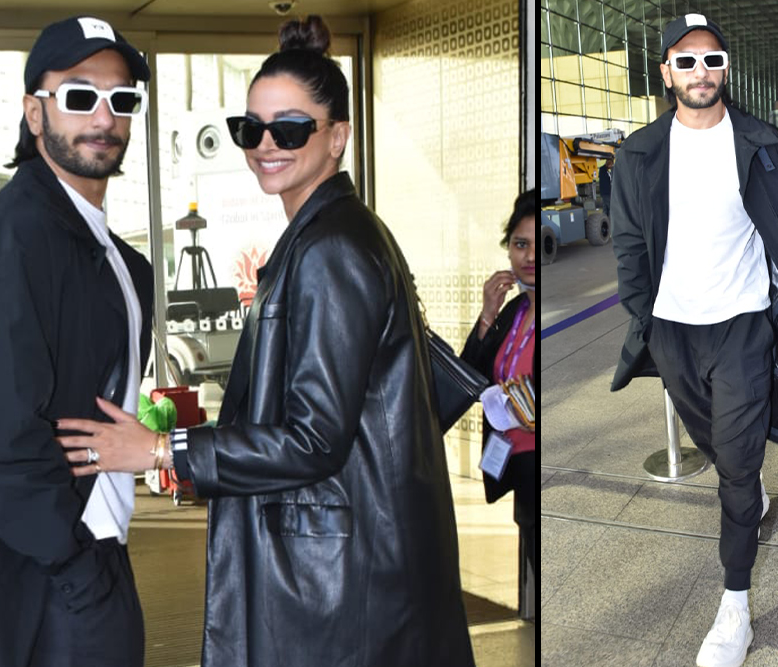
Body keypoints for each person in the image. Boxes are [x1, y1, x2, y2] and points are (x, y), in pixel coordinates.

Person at [56, 15, 475, 667]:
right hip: (346, 561)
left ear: (337, 136)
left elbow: (313, 438)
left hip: (339, 582)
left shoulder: (332, 248)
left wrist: (162, 448)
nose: (265, 145)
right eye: (251, 129)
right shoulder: (330, 234)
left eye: (291, 128)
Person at [0, 16, 153, 667]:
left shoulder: (117, 259)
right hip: (40, 574)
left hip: (90, 549)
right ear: (34, 113)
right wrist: (74, 568)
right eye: (78, 95)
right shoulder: (11, 242)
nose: (103, 116)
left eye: (122, 99)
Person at [608, 13, 778, 667]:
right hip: (674, 330)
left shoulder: (760, 143)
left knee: (735, 462)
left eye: (711, 60)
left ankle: (735, 602)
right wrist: (643, 312)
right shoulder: (641, 153)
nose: (700, 72)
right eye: (686, 61)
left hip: (742, 323)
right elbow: (626, 240)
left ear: (724, 69)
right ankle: (745, 484)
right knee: (716, 443)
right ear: (665, 73)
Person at [460, 188, 537, 597]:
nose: (528, 257)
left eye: (535, 244)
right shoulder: (515, 310)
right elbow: (469, 375)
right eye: (519, 244)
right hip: (515, 462)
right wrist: (488, 313)